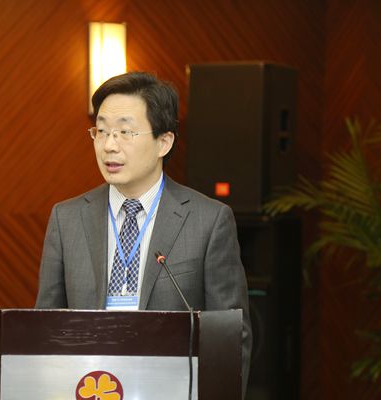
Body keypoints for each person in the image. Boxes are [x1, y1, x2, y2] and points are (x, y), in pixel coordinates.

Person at [35, 71, 251, 393]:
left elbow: (231, 338)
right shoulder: (67, 219)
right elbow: (44, 329)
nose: (109, 146)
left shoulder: (208, 221)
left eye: (125, 132)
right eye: (101, 131)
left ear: (164, 142)